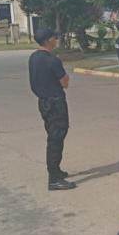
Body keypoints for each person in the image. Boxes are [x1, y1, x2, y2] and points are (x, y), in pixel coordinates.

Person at [28, 28, 76, 191]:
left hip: (43, 102)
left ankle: (57, 170)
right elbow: (65, 83)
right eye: (54, 38)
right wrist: (66, 75)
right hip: (55, 102)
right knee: (56, 139)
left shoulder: (34, 57)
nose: (56, 40)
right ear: (48, 40)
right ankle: (54, 178)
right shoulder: (53, 60)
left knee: (53, 135)